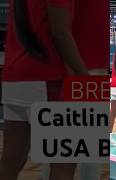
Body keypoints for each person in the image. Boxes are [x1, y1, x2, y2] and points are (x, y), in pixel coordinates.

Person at [0, 0, 89, 179]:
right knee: (64, 163)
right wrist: (85, 78)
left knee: (11, 159)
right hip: (47, 78)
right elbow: (60, 34)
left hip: (14, 76)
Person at [41, 1, 107, 180]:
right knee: (64, 154)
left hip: (92, 73)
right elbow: (58, 31)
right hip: (79, 71)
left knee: (89, 153)